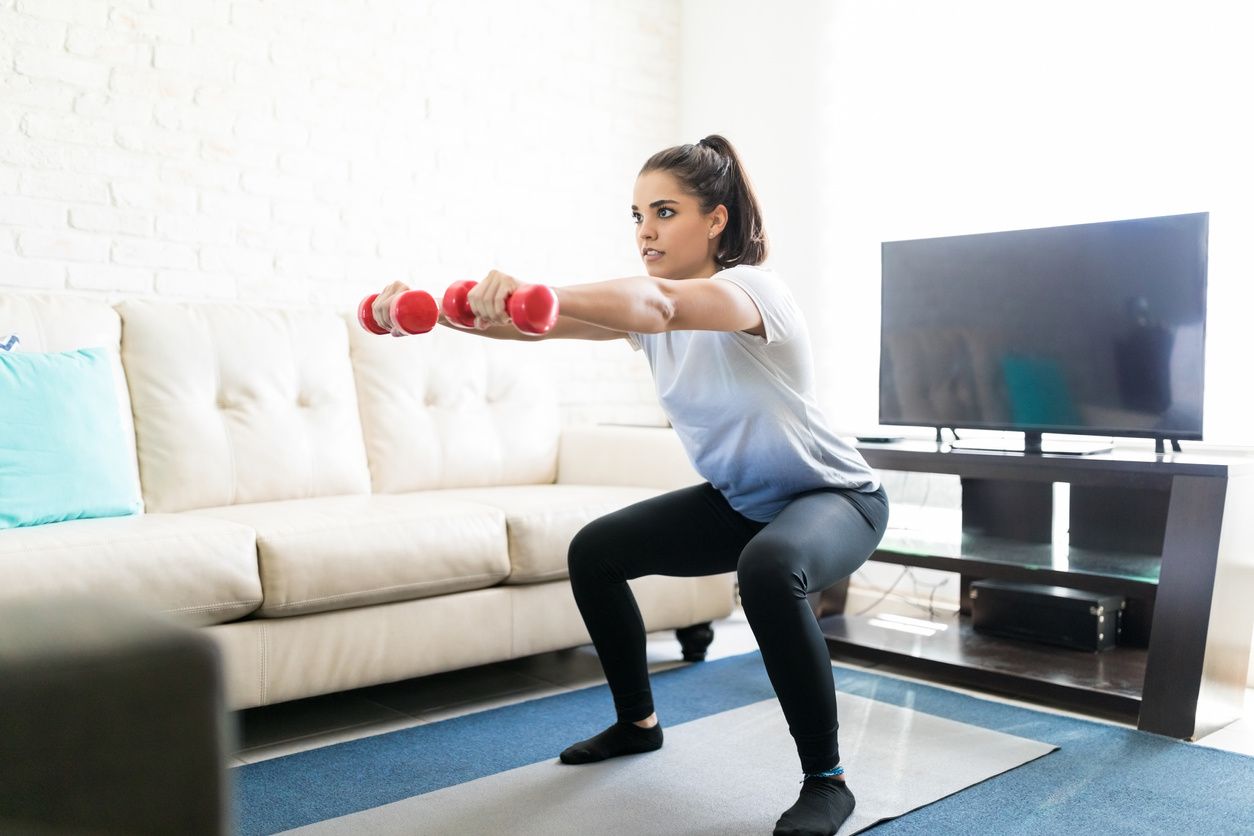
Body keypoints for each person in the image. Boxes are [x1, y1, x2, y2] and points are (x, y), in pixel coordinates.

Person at [371, 134, 888, 836]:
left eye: (665, 212)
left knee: (768, 568)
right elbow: (539, 328)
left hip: (836, 498)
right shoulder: (650, 320)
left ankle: (827, 780)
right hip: (742, 505)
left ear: (716, 220)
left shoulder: (754, 291)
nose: (646, 230)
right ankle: (637, 723)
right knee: (596, 550)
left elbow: (661, 305)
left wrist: (536, 292)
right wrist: (436, 313)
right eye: (638, 215)